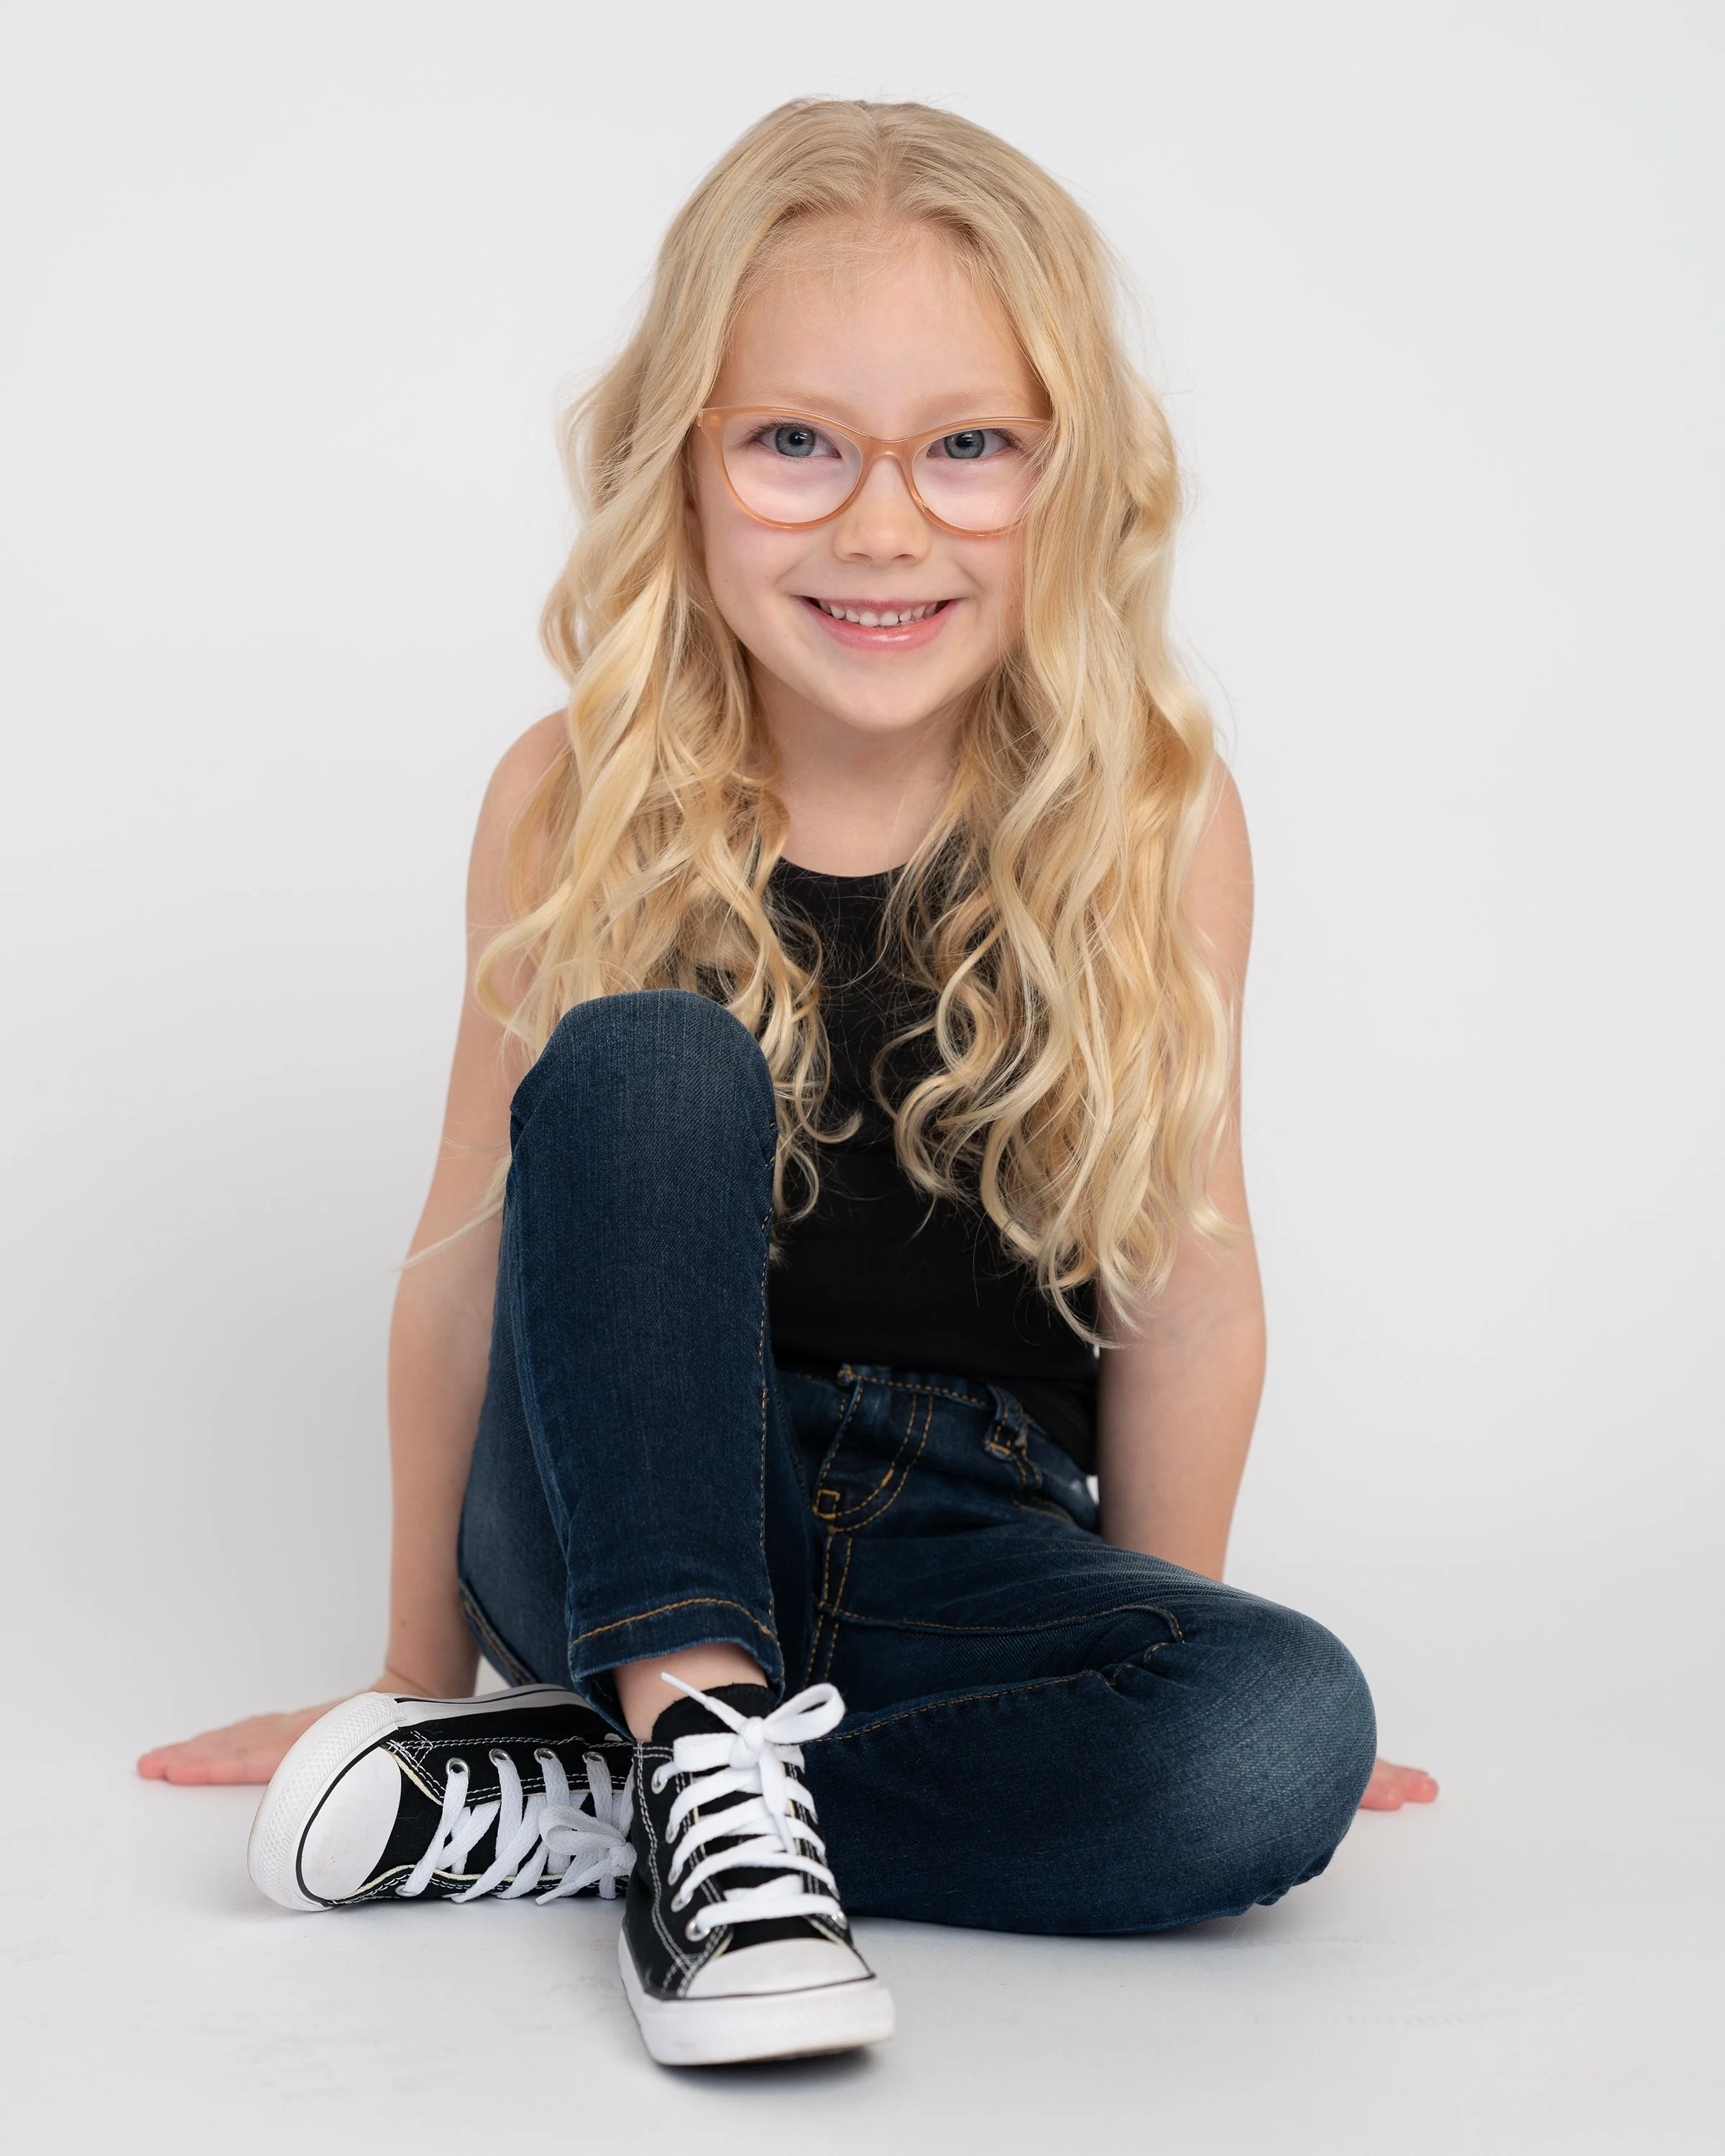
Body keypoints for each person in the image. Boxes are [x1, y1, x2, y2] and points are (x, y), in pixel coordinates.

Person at [139, 97, 1437, 2068]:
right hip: (621, 1498)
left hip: (962, 1543)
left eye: (969, 446)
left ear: (1069, 477)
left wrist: (1158, 1664)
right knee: (651, 1060)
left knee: (1283, 1744)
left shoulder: (1150, 827)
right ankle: (664, 1723)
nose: (883, 522)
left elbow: (1194, 1297)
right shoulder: (574, 796)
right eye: (796, 442)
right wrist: (408, 1680)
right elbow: (460, 1266)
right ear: (683, 462)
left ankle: (638, 1796)